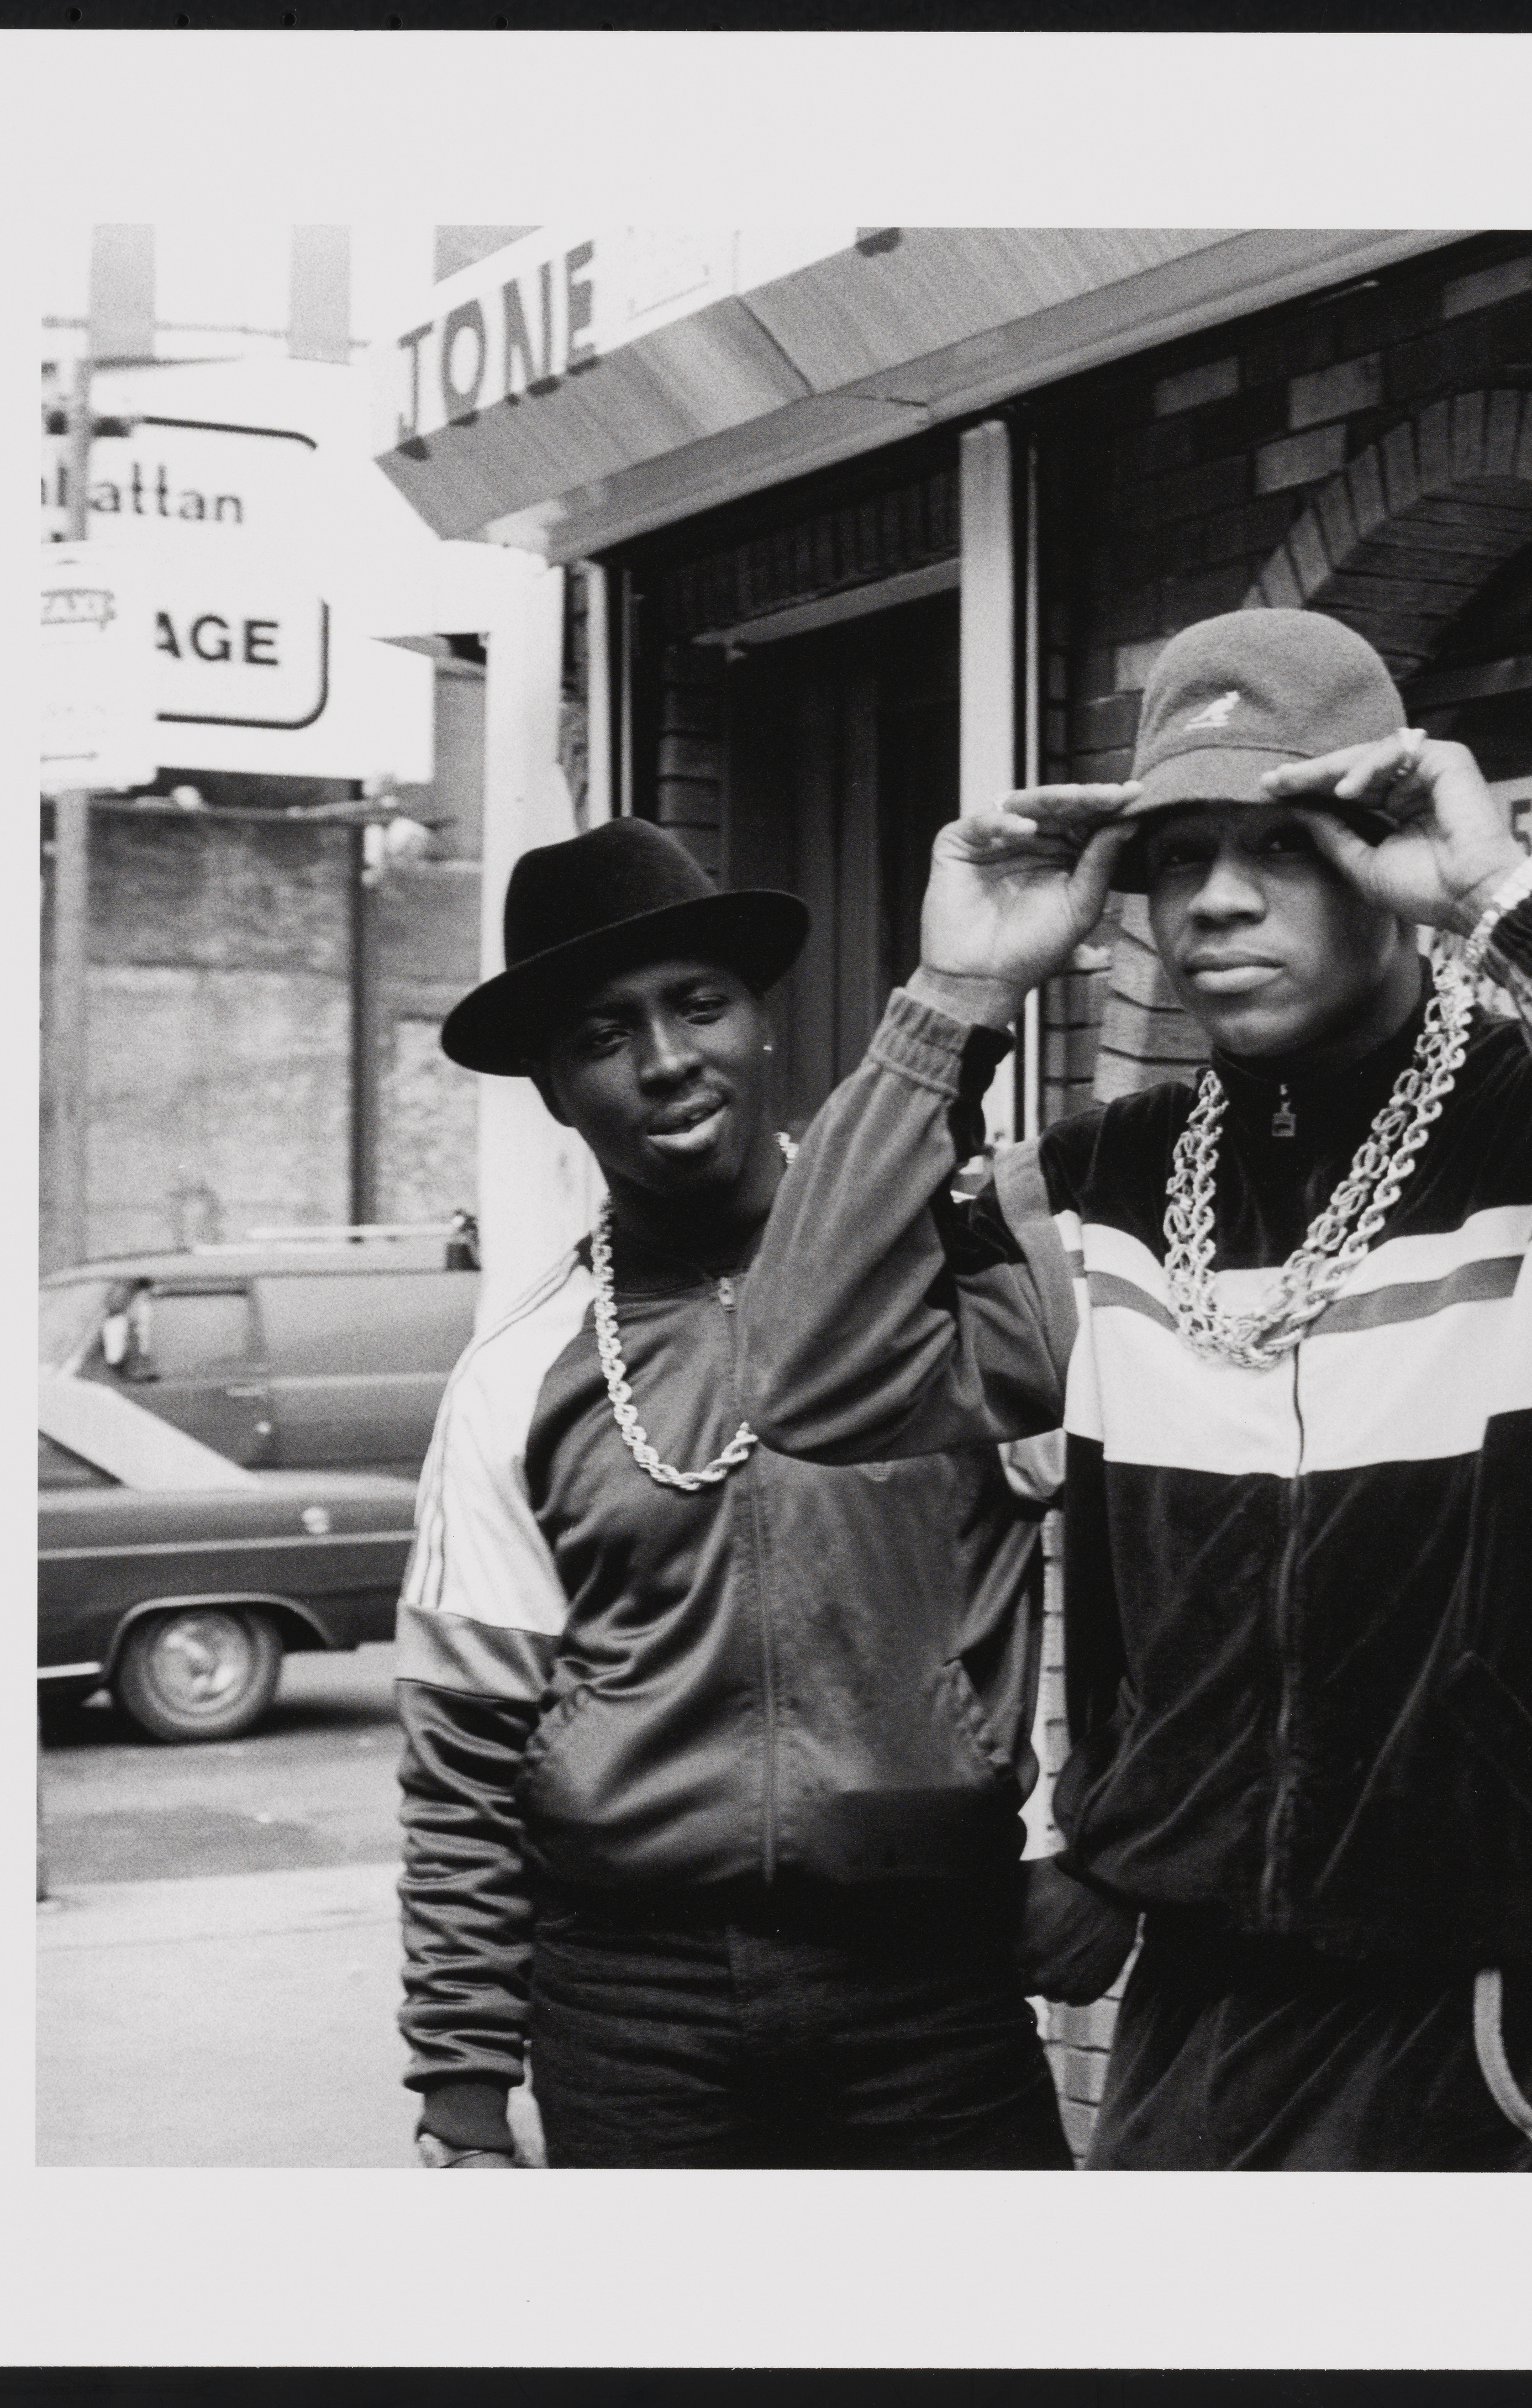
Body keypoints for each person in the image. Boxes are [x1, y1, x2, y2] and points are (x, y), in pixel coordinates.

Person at [740, 608, 1532, 2170]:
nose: (1217, 896)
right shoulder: (1098, 1185)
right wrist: (950, 998)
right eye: (1176, 853)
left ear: (1381, 847)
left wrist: (1504, 901)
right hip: (1207, 1969)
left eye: (1284, 841)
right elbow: (807, 1377)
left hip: (1506, 1978)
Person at [395, 817, 1114, 2171]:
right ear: (553, 1088)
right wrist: (464, 2086)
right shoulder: (515, 1373)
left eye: (697, 1004)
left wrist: (1107, 1843)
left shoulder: (950, 1284)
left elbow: (1160, 1563)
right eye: (603, 1036)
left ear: (761, 1019)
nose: (666, 1059)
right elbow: (464, 1757)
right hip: (626, 2005)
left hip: (930, 1979)